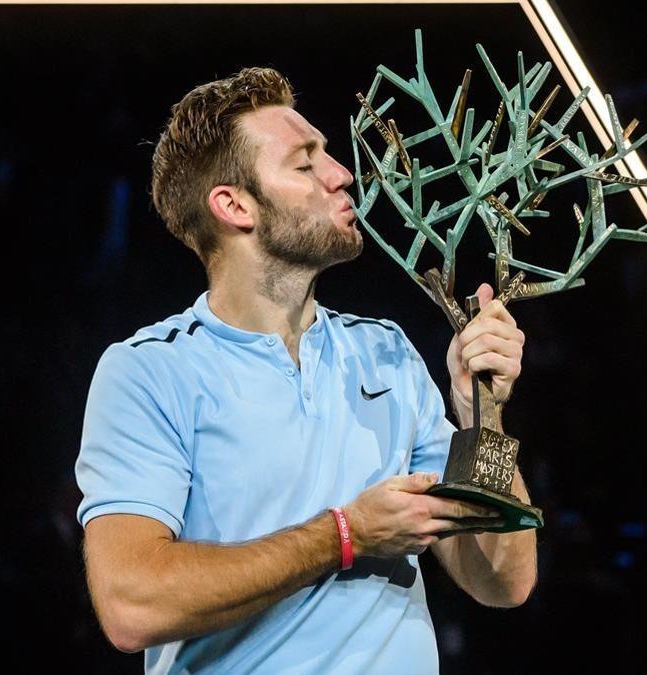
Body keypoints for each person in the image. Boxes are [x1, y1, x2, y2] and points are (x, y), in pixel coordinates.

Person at [74, 66, 538, 674]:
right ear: (234, 204)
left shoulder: (387, 353)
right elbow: (131, 604)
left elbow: (501, 581)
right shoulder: (149, 372)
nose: (341, 174)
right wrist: (346, 535)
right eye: (305, 162)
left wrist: (483, 415)